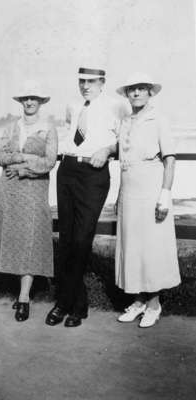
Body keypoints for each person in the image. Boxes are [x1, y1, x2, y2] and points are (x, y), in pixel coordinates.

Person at [45, 67, 126, 328]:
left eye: (91, 81)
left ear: (102, 82)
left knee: (82, 239)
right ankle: (71, 304)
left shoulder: (116, 106)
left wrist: (107, 149)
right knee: (67, 238)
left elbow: (124, 140)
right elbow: (71, 133)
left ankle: (68, 304)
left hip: (94, 173)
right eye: (82, 81)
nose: (85, 86)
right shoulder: (72, 105)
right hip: (68, 169)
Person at [0, 80, 58, 322]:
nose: (29, 102)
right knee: (14, 236)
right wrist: (20, 156)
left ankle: (24, 297)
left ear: (40, 102)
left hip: (34, 189)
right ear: (21, 102)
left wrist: (25, 169)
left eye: (34, 98)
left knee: (30, 238)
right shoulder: (12, 126)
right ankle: (19, 290)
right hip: (9, 189)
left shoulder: (48, 127)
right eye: (25, 98)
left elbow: (49, 161)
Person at [115, 73, 181, 328]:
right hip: (129, 188)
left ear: (150, 93)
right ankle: (139, 300)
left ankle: (154, 304)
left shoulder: (159, 120)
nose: (136, 93)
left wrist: (165, 193)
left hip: (152, 188)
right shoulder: (125, 121)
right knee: (133, 245)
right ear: (127, 94)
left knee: (151, 246)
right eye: (132, 89)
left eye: (142, 89)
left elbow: (170, 159)